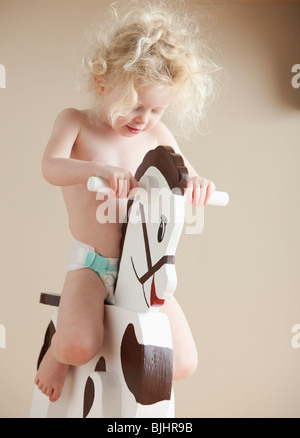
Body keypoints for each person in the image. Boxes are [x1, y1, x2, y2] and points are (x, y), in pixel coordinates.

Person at [34, 0, 217, 402]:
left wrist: (198, 184)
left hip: (145, 269)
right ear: (102, 84)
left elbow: (185, 173)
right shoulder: (76, 122)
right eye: (135, 104)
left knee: (182, 361)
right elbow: (51, 167)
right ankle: (56, 353)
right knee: (79, 343)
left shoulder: (157, 133)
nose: (144, 118)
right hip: (92, 265)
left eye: (156, 109)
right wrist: (96, 170)